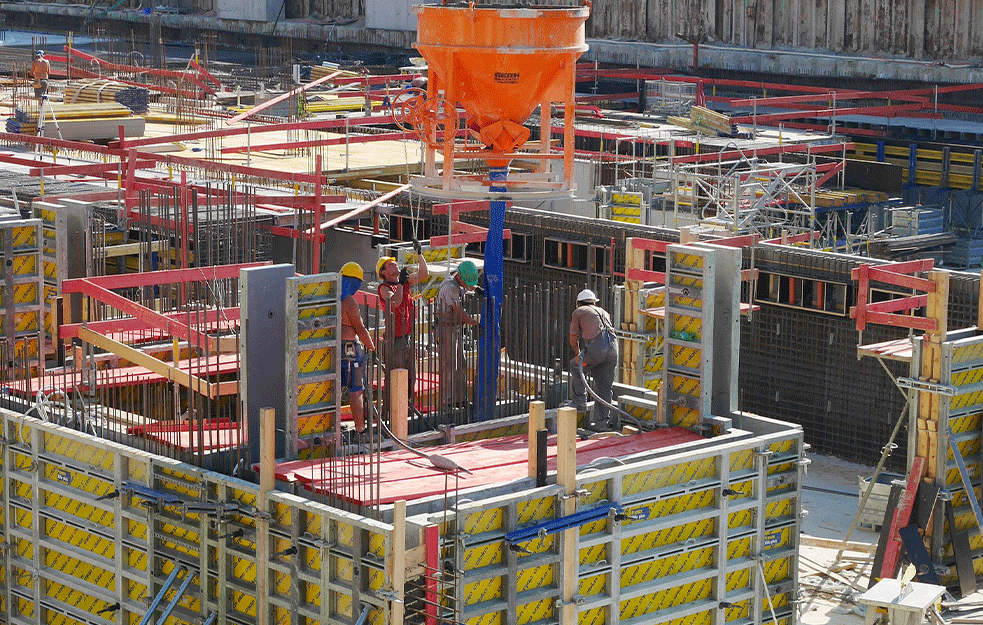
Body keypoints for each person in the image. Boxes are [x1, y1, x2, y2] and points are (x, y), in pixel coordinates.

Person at [376, 249, 428, 418]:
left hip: (407, 338)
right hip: (395, 340)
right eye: (391, 264)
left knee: (410, 377)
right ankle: (389, 412)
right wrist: (400, 283)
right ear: (384, 272)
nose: (395, 265)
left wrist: (419, 253)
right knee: (394, 377)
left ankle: (407, 407)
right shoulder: (384, 288)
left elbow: (424, 274)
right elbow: (396, 302)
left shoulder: (403, 284)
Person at [569, 289, 619, 432]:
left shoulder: (579, 311)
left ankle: (580, 403)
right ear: (594, 302)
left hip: (597, 349)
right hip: (613, 349)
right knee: (604, 388)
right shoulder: (604, 311)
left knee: (574, 365)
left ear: (578, 302)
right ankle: (601, 424)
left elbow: (573, 338)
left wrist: (578, 355)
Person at [435, 260, 480, 414]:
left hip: (455, 328)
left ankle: (460, 398)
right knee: (449, 366)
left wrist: (477, 289)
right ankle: (446, 402)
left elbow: (468, 287)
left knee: (461, 363)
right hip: (447, 329)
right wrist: (474, 322)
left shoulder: (455, 280)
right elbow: (460, 313)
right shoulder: (450, 288)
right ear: (460, 276)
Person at [340, 262, 376, 442]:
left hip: (336, 349)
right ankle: (360, 431)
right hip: (350, 350)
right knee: (356, 390)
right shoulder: (350, 302)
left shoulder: (333, 298)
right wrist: (372, 347)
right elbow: (360, 329)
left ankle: (333, 428)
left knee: (336, 390)